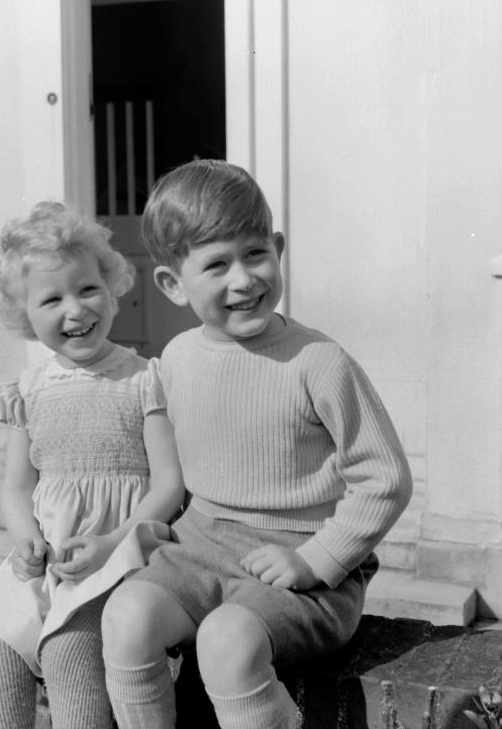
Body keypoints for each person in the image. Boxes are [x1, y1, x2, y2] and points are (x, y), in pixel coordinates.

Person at [100, 160, 413, 729]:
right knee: (126, 617)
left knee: (226, 642)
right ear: (172, 283)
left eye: (254, 254)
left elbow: (385, 478)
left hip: (304, 568)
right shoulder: (176, 360)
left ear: (278, 247)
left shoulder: (318, 362)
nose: (243, 280)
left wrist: (315, 560)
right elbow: (171, 468)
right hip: (201, 550)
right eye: (216, 264)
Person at [0, 201, 185, 729]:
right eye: (52, 299)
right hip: (43, 558)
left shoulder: (144, 379)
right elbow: (16, 489)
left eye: (87, 289)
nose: (76, 310)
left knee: (69, 654)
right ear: (26, 316)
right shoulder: (28, 391)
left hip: (118, 557)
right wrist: (25, 540)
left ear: (111, 288)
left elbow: (169, 486)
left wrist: (113, 543)